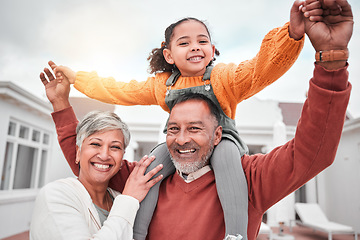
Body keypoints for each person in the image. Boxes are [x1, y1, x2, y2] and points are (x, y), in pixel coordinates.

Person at [41, 0, 354, 239]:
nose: (182, 138)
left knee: (229, 160)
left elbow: (263, 69)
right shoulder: (146, 166)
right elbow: (113, 99)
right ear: (168, 54)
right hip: (154, 171)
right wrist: (67, 95)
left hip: (230, 150)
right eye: (174, 128)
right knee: (152, 165)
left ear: (215, 132)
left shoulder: (250, 177)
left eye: (195, 128)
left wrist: (319, 52)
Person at [29, 109, 164, 239]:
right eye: (95, 144)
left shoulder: (119, 198)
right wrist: (129, 199)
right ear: (78, 152)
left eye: (115, 147)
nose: (104, 155)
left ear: (122, 158)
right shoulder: (55, 195)